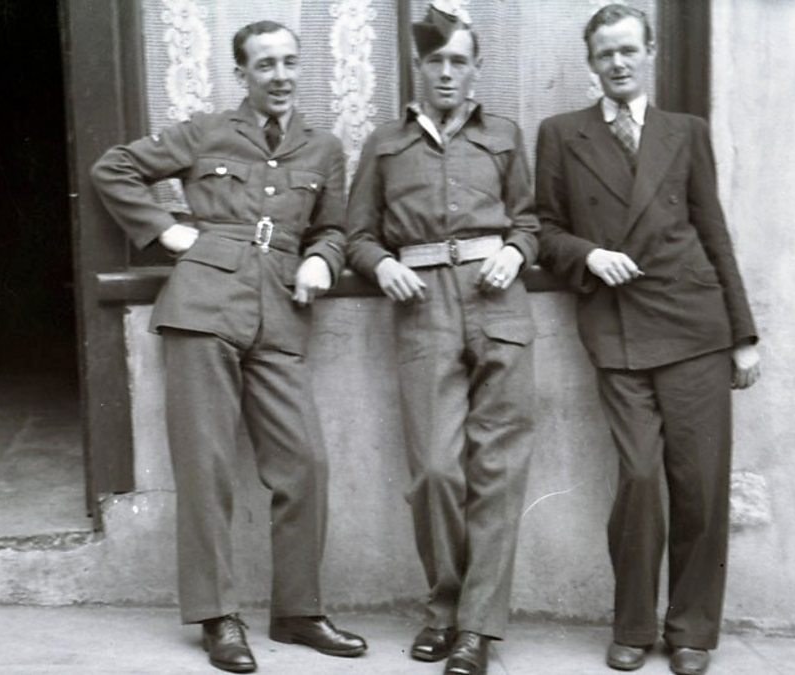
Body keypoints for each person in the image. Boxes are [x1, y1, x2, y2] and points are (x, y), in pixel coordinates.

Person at [90, 20, 365, 674]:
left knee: (305, 463)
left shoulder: (323, 147)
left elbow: (332, 227)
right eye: (264, 64)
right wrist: (167, 231)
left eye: (289, 62)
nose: (280, 75)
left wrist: (323, 259)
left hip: (281, 314)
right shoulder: (207, 131)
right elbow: (114, 168)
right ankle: (218, 616)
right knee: (207, 467)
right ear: (241, 74)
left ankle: (297, 610)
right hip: (203, 307)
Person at [534, 5, 761, 675]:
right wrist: (588, 254)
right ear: (591, 63)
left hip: (695, 325)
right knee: (638, 477)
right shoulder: (561, 134)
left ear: (650, 53)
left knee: (701, 485)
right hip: (619, 327)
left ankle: (691, 630)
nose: (618, 62)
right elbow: (544, 229)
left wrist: (743, 334)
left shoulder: (686, 132)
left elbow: (714, 232)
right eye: (605, 53)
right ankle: (633, 623)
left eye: (628, 49)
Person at [347, 6, 538, 675]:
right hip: (422, 304)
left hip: (498, 303)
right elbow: (357, 234)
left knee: (498, 471)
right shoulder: (384, 144)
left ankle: (477, 630)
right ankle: (446, 607)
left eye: (460, 61)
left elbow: (531, 221)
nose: (448, 73)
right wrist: (382, 265)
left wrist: (515, 250)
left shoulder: (505, 135)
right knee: (434, 468)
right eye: (436, 61)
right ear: (419, 68)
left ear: (476, 67)